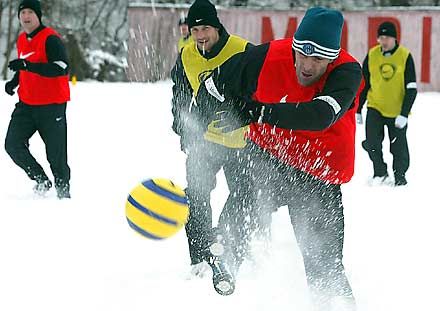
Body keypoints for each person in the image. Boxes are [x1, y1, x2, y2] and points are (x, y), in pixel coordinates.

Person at [197, 7, 363, 310]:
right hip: (270, 156)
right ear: (294, 47)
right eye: (303, 55)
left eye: (319, 59)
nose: (308, 66)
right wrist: (199, 117)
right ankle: (226, 255)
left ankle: (334, 302)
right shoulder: (268, 56)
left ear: (332, 58)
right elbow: (213, 84)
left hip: (319, 170)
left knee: (323, 263)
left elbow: (320, 115)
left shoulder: (348, 72)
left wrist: (255, 112)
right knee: (243, 200)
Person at [170, 0, 253, 292]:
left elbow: (261, 91)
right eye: (195, 30)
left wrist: (244, 115)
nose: (200, 35)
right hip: (203, 141)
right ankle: (200, 257)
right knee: (196, 196)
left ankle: (230, 247)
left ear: (216, 27)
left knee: (245, 196)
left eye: (205, 28)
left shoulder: (243, 50)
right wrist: (182, 129)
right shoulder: (187, 55)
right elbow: (179, 94)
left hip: (242, 141)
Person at [4, 0, 71, 199]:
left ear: (38, 15)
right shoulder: (22, 39)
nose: (26, 16)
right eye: (22, 12)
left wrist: (27, 66)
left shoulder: (50, 39)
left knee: (56, 156)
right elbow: (26, 66)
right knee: (13, 145)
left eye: (30, 12)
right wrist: (15, 81)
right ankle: (41, 180)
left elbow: (61, 67)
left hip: (52, 107)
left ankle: (63, 194)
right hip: (26, 105)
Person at [356, 21, 417, 186]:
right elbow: (364, 84)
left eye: (387, 37)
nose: (384, 41)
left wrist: (404, 114)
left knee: (398, 148)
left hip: (397, 110)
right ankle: (380, 172)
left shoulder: (405, 56)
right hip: (375, 106)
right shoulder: (372, 55)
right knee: (371, 142)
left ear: (395, 39)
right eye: (381, 37)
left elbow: (412, 88)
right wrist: (358, 108)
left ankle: (400, 177)